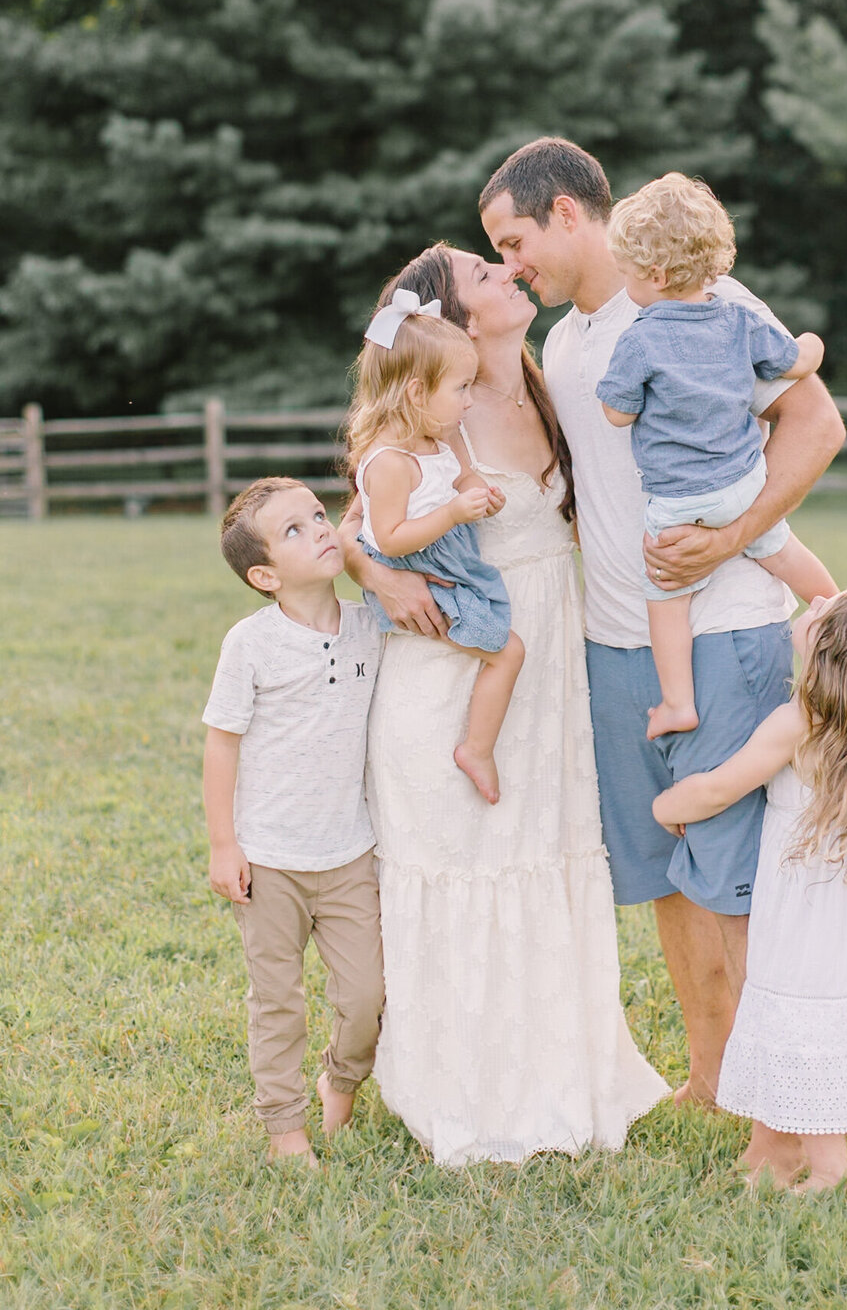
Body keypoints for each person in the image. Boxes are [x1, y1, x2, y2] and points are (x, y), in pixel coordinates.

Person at [478, 137, 846, 1106]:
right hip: (616, 640)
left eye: (518, 241)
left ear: (568, 213)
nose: (515, 266)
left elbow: (818, 426)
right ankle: (712, 1070)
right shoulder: (561, 345)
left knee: (733, 870)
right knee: (667, 869)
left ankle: (790, 1084)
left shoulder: (708, 304)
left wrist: (734, 540)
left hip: (724, 627)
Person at [342, 244, 669, 1166]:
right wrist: (377, 574)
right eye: (487, 274)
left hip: (550, 661)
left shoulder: (553, 375)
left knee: (546, 854)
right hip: (455, 665)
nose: (510, 275)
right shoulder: (429, 410)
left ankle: (562, 1073)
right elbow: (356, 524)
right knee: (470, 860)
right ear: (454, 317)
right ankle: (464, 1087)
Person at [653, 588, 847, 1191]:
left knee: (799, 1023)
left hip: (799, 916)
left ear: (827, 654)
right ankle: (769, 1150)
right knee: (806, 1020)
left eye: (818, 617)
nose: (808, 611)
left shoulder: (799, 724)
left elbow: (719, 788)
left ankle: (831, 1168)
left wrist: (666, 804)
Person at [596, 171, 835, 739]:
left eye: (627, 274)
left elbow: (616, 413)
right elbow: (795, 363)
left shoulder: (639, 336)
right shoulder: (738, 321)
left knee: (665, 596)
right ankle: (836, 609)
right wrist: (815, 345)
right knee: (782, 549)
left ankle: (678, 701)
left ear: (654, 275)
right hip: (745, 482)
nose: (625, 285)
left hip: (680, 499)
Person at [202, 477, 385, 1167]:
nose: (318, 529)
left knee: (367, 993)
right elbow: (222, 743)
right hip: (271, 858)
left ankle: (341, 1079)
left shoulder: (371, 623)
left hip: (349, 855)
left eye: (318, 515)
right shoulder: (250, 645)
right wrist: (226, 845)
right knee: (277, 1001)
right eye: (295, 530)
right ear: (264, 574)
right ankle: (284, 1128)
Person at [345, 282, 524, 805]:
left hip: (453, 567)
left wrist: (479, 494)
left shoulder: (439, 440)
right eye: (460, 389)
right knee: (508, 652)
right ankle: (477, 748)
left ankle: (478, 743)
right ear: (417, 394)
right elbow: (392, 541)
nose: (469, 401)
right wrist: (451, 512)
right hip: (422, 575)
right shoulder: (390, 463)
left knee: (506, 649)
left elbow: (464, 477)